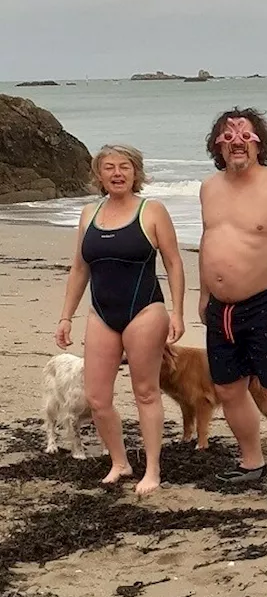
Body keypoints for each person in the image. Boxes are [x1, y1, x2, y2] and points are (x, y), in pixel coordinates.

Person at [55, 144, 185, 495]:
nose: (117, 173)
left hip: (145, 311)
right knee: (97, 397)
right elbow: (80, 267)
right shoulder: (88, 214)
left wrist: (177, 311)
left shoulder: (152, 211)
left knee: (145, 392)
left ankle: (153, 470)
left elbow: (173, 262)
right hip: (101, 312)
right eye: (109, 167)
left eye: (124, 167)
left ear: (136, 172)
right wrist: (66, 316)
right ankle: (120, 461)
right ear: (98, 175)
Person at [198, 107, 267, 504]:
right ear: (217, 146)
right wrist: (204, 293)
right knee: (227, 387)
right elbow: (209, 239)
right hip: (220, 308)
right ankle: (251, 461)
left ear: (260, 142)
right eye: (228, 138)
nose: (237, 143)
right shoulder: (209, 188)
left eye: (245, 137)